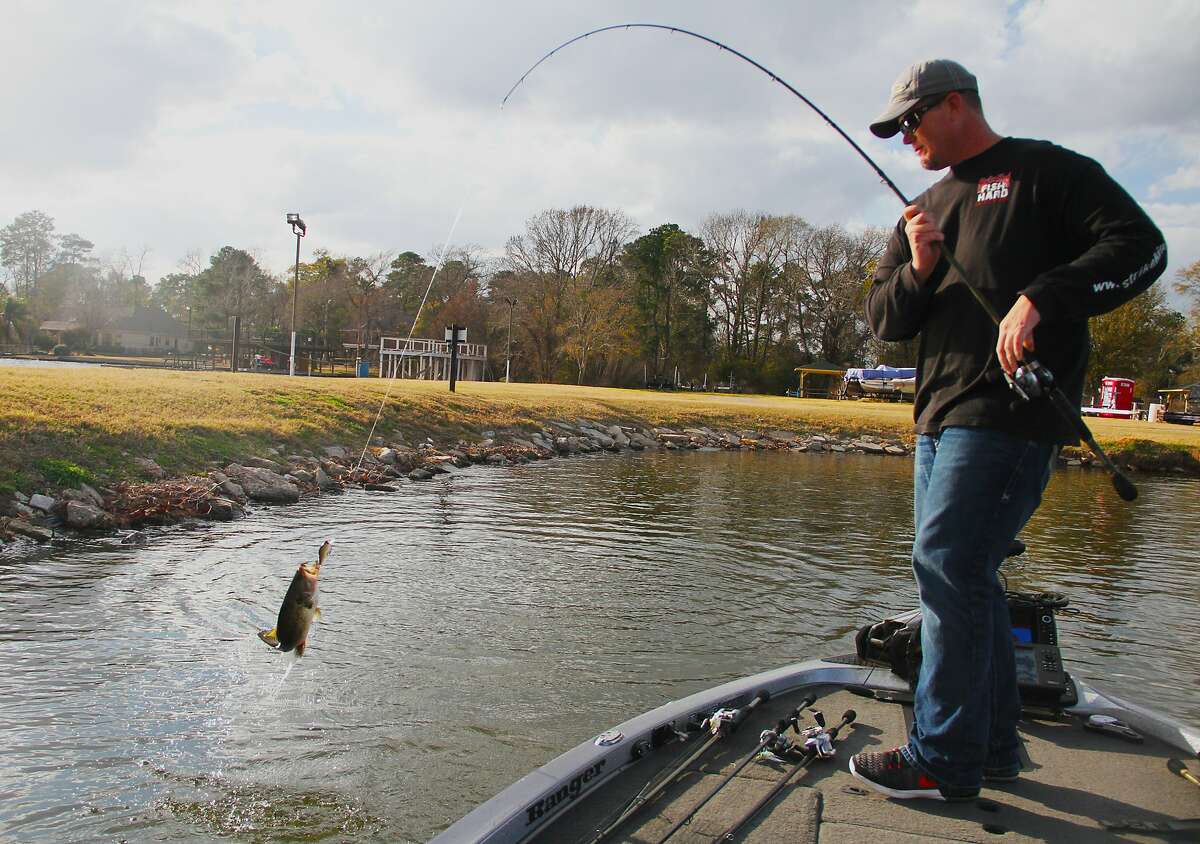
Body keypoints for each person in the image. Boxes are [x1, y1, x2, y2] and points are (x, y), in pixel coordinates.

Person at [849, 59, 1166, 801]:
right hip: (935, 420)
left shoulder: (1047, 173)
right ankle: (988, 746)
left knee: (948, 566)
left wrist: (1042, 298)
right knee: (966, 576)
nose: (905, 139)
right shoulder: (921, 210)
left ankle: (943, 758)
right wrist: (920, 266)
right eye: (895, 131)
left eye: (910, 122)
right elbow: (884, 324)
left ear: (954, 104)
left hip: (1011, 418)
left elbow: (1142, 248)